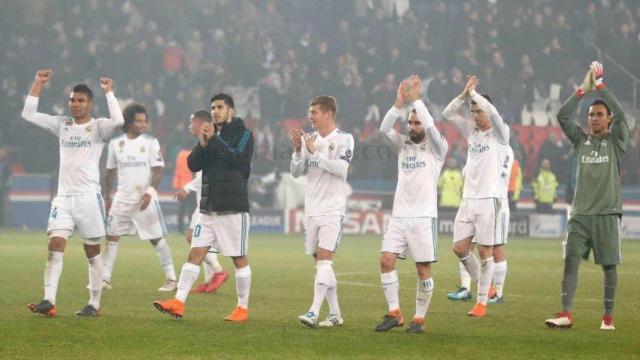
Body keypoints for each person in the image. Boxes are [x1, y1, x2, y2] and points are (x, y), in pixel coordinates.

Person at [22, 69, 124, 317]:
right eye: (72, 100)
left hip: (89, 198)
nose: (75, 105)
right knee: (55, 244)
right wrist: (38, 83)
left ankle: (94, 304)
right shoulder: (62, 125)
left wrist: (110, 92)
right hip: (64, 198)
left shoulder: (98, 127)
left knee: (92, 252)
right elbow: (28, 114)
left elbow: (119, 121)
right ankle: (48, 300)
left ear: (90, 104)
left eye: (80, 101)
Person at [154, 93, 254, 321]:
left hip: (232, 207)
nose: (215, 111)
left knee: (238, 259)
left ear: (231, 110)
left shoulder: (244, 134)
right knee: (195, 254)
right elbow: (193, 163)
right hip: (208, 207)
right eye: (213, 108)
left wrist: (214, 140)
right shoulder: (210, 135)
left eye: (220, 107)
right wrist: (202, 142)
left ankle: (242, 308)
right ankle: (178, 303)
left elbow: (237, 160)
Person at [545, 61, 628, 331]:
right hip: (579, 214)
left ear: (608, 119)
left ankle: (608, 318)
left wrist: (601, 86)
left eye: (599, 114)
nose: (593, 118)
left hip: (606, 213)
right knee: (570, 262)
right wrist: (582, 90)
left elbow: (622, 115)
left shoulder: (616, 141)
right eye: (591, 114)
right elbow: (562, 116)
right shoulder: (581, 140)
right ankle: (566, 314)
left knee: (609, 267)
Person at [374, 76, 447, 334]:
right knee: (385, 260)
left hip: (423, 217)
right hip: (399, 216)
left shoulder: (437, 148)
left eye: (417, 123)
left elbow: (432, 125)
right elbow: (383, 129)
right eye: (410, 122)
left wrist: (417, 100)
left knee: (422, 268)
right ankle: (395, 313)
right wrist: (398, 104)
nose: (412, 127)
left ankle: (419, 319)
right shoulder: (403, 145)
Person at [442, 75, 513, 316]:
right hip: (468, 199)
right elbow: (448, 114)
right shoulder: (472, 131)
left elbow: (493, 113)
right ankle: (489, 288)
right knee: (460, 248)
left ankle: (482, 302)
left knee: (485, 252)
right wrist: (464, 94)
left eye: (478, 111)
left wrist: (476, 95)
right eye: (472, 112)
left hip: (489, 199)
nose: (474, 115)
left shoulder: (501, 134)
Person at [290, 95, 354, 328]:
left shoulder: (345, 139)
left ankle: (313, 312)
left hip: (332, 208)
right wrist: (298, 150)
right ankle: (336, 314)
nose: (310, 117)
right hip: (312, 208)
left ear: (328, 114)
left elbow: (341, 170)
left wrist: (315, 153)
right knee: (320, 264)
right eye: (309, 112)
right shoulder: (311, 139)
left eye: (314, 112)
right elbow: (296, 172)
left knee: (325, 261)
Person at [101, 103, 177, 292]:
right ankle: (104, 278)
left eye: (145, 121)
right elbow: (109, 171)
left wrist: (150, 192)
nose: (143, 125)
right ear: (128, 122)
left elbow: (158, 169)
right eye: (139, 121)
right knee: (111, 237)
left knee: (156, 239)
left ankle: (171, 279)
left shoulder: (151, 143)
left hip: (144, 200)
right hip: (121, 199)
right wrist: (108, 195)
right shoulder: (116, 144)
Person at [174, 110, 229, 293]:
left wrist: (186, 188)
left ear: (200, 123)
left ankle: (218, 271)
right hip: (204, 201)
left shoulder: (212, 143)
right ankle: (208, 281)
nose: (189, 126)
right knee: (205, 243)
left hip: (207, 202)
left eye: (191, 122)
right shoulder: (203, 142)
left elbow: (206, 175)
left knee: (193, 238)